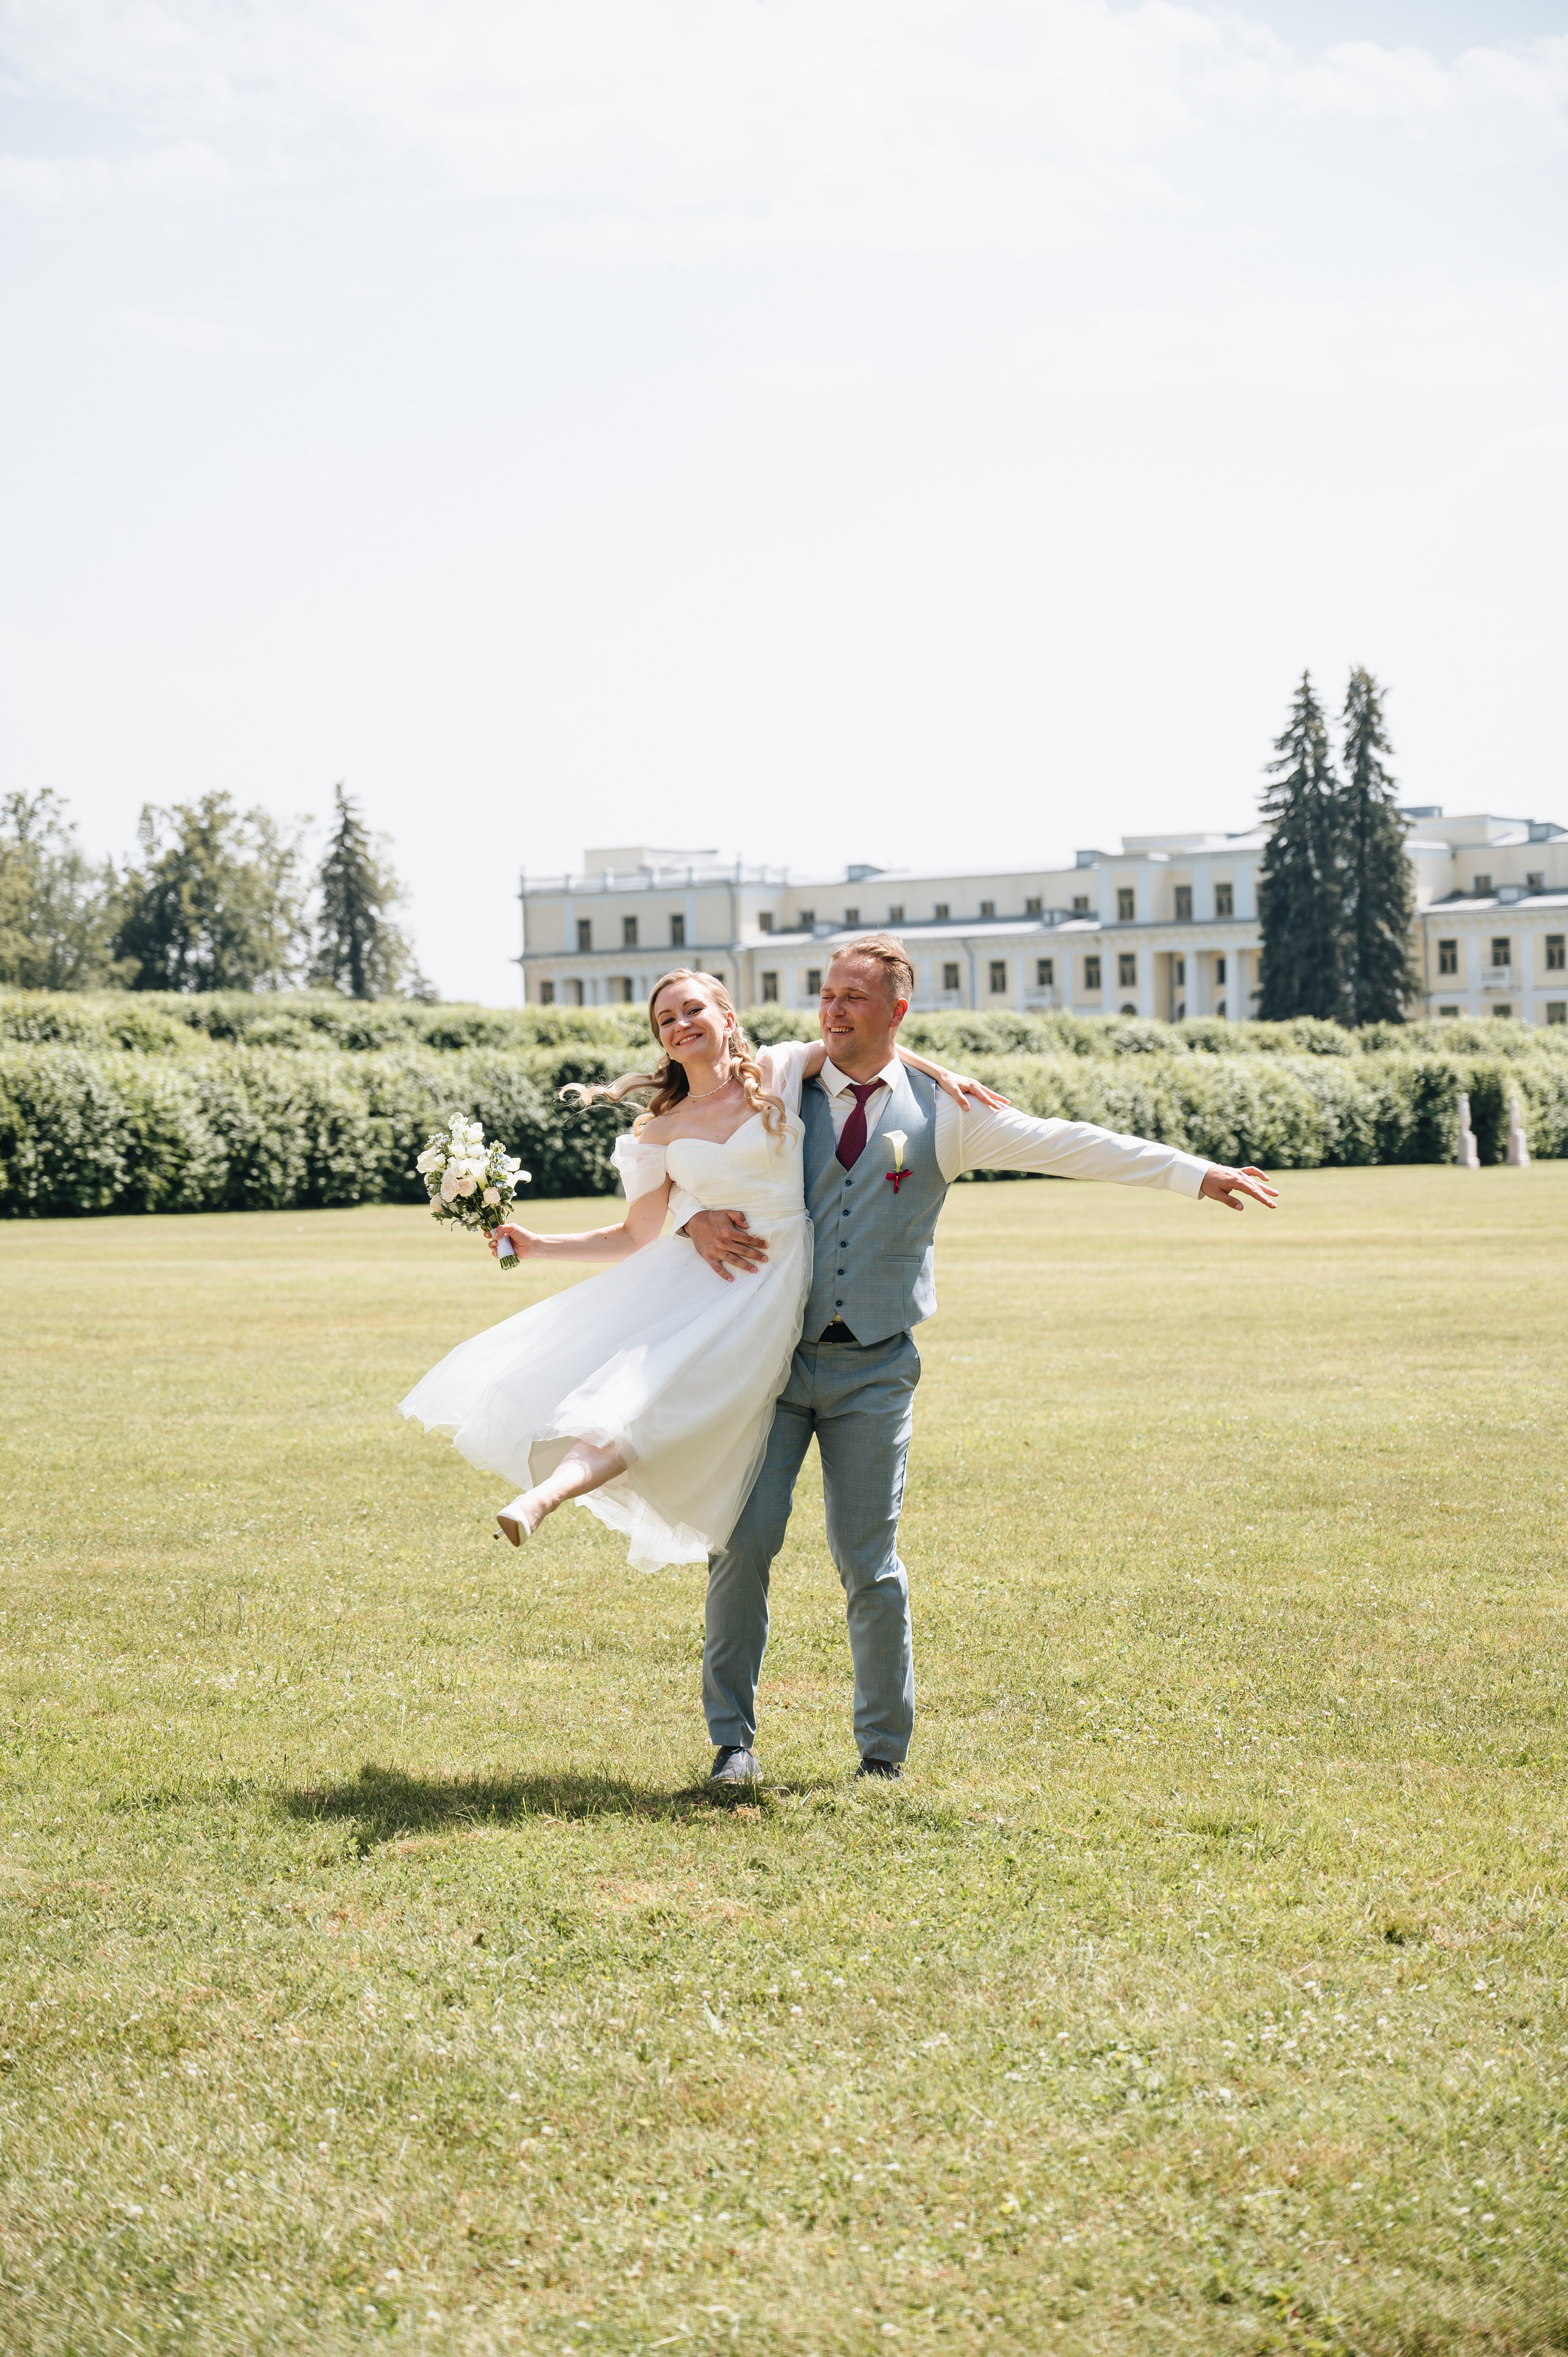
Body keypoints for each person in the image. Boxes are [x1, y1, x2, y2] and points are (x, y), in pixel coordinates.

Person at [678, 934, 1278, 1786]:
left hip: (876, 1371)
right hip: (769, 1365)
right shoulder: (774, 1088)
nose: (834, 1009)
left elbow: (1066, 1142)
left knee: (869, 1559)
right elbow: (675, 1146)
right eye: (827, 993)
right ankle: (732, 1744)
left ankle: (882, 1755)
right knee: (742, 1545)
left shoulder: (944, 1113)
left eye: (855, 996)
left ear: (898, 1011)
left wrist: (1193, 1173)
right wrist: (687, 1221)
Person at [398, 968, 1005, 1575]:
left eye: (692, 1010)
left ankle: (551, 1494)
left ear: (727, 1018)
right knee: (635, 1390)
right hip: (698, 1280)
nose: (680, 1024)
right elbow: (634, 1235)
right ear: (661, 1040)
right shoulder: (657, 1130)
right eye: (666, 1019)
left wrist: (938, 1074)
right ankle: (543, 1497)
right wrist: (537, 1245)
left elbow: (868, 1050)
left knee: (674, 1398)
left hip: (770, 1281)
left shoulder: (780, 1072)